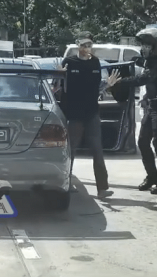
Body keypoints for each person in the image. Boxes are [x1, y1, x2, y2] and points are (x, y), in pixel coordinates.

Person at [59, 31, 120, 199]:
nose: (86, 48)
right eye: (83, 45)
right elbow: (59, 85)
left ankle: (102, 188)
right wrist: (59, 76)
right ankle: (66, 183)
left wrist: (106, 85)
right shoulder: (69, 62)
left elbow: (96, 88)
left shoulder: (95, 63)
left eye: (89, 45)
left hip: (92, 112)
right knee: (71, 151)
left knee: (97, 150)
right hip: (74, 113)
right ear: (78, 45)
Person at [114, 28, 157, 194]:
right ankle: (152, 176)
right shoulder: (149, 61)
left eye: (147, 45)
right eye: (143, 45)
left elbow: (143, 79)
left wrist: (120, 81)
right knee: (142, 142)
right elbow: (142, 70)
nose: (144, 48)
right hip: (152, 106)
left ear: (156, 47)